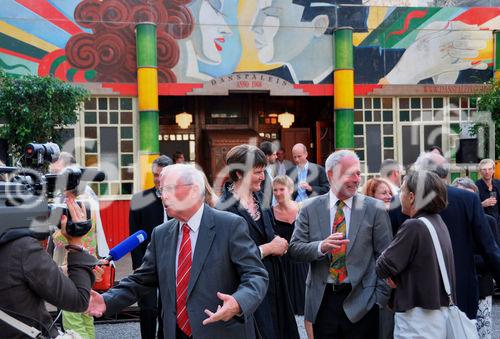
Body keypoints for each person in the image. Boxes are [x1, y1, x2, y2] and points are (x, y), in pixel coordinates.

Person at [87, 164, 269, 339]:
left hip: (221, 330)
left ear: (195, 189)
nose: (163, 196)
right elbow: (141, 280)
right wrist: (106, 300)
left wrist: (238, 303)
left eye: (170, 189)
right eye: (161, 190)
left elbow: (256, 276)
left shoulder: (230, 225)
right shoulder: (161, 234)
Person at [289, 150, 392, 339]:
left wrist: (379, 299)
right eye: (350, 173)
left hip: (364, 301)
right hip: (323, 300)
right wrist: (321, 247)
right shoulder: (309, 209)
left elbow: (385, 257)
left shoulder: (374, 209)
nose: (356, 179)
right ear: (331, 174)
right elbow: (294, 249)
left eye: (358, 174)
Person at [389, 152, 500, 320]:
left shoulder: (401, 202)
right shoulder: (468, 199)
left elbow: (392, 249)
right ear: (446, 174)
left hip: (416, 295)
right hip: (460, 291)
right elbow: (489, 249)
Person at [217, 145, 300, 339]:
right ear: (238, 173)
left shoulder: (262, 198)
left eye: (263, 171)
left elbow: (268, 233)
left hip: (275, 282)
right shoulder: (223, 209)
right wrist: (268, 248)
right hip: (246, 287)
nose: (263, 177)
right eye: (257, 172)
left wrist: (278, 242)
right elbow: (226, 256)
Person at [0, 196, 96, 339]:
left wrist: (64, 270)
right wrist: (75, 243)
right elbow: (78, 301)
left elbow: (15, 277)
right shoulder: (22, 247)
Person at [376, 170, 455, 338]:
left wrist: (395, 274)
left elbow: (382, 267)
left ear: (411, 197)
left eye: (402, 190)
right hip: (435, 313)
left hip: (417, 319)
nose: (399, 195)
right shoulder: (437, 222)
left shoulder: (413, 226)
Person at [49, 152, 109, 339]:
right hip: (87, 265)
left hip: (71, 267)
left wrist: (52, 228)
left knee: (72, 320)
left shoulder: (74, 203)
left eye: (58, 174)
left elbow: (63, 239)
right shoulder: (88, 196)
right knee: (85, 316)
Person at [129, 155, 172, 339]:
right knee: (147, 308)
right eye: (155, 174)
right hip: (147, 262)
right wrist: (137, 266)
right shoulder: (139, 199)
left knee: (168, 308)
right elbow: (134, 236)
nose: (157, 178)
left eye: (161, 174)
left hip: (174, 262)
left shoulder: (182, 199)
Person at [452, 177, 498, 339]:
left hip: (482, 288)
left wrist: (465, 259)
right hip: (457, 289)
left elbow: (493, 256)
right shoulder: (449, 223)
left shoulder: (489, 221)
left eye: (469, 197)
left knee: (482, 333)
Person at [272, 175, 312, 339]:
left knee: (306, 306)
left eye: (282, 189)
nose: (278, 193)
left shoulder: (302, 209)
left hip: (301, 262)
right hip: (281, 264)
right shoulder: (270, 213)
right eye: (275, 189)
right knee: (285, 305)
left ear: (290, 190)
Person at [362, 177, 394, 339]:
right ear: (371, 195)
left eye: (390, 192)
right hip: (375, 290)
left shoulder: (396, 216)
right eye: (383, 193)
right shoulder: (366, 220)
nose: (389, 196)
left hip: (393, 291)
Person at [476, 159, 500, 225]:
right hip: (484, 223)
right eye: (484, 169)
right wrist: (483, 204)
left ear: (493, 170)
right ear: (480, 172)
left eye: (490, 169)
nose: (487, 172)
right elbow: (471, 207)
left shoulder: (498, 183)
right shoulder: (475, 187)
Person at [259, 141, 278, 208]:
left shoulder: (270, 169)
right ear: (267, 156)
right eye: (274, 154)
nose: (276, 157)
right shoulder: (260, 172)